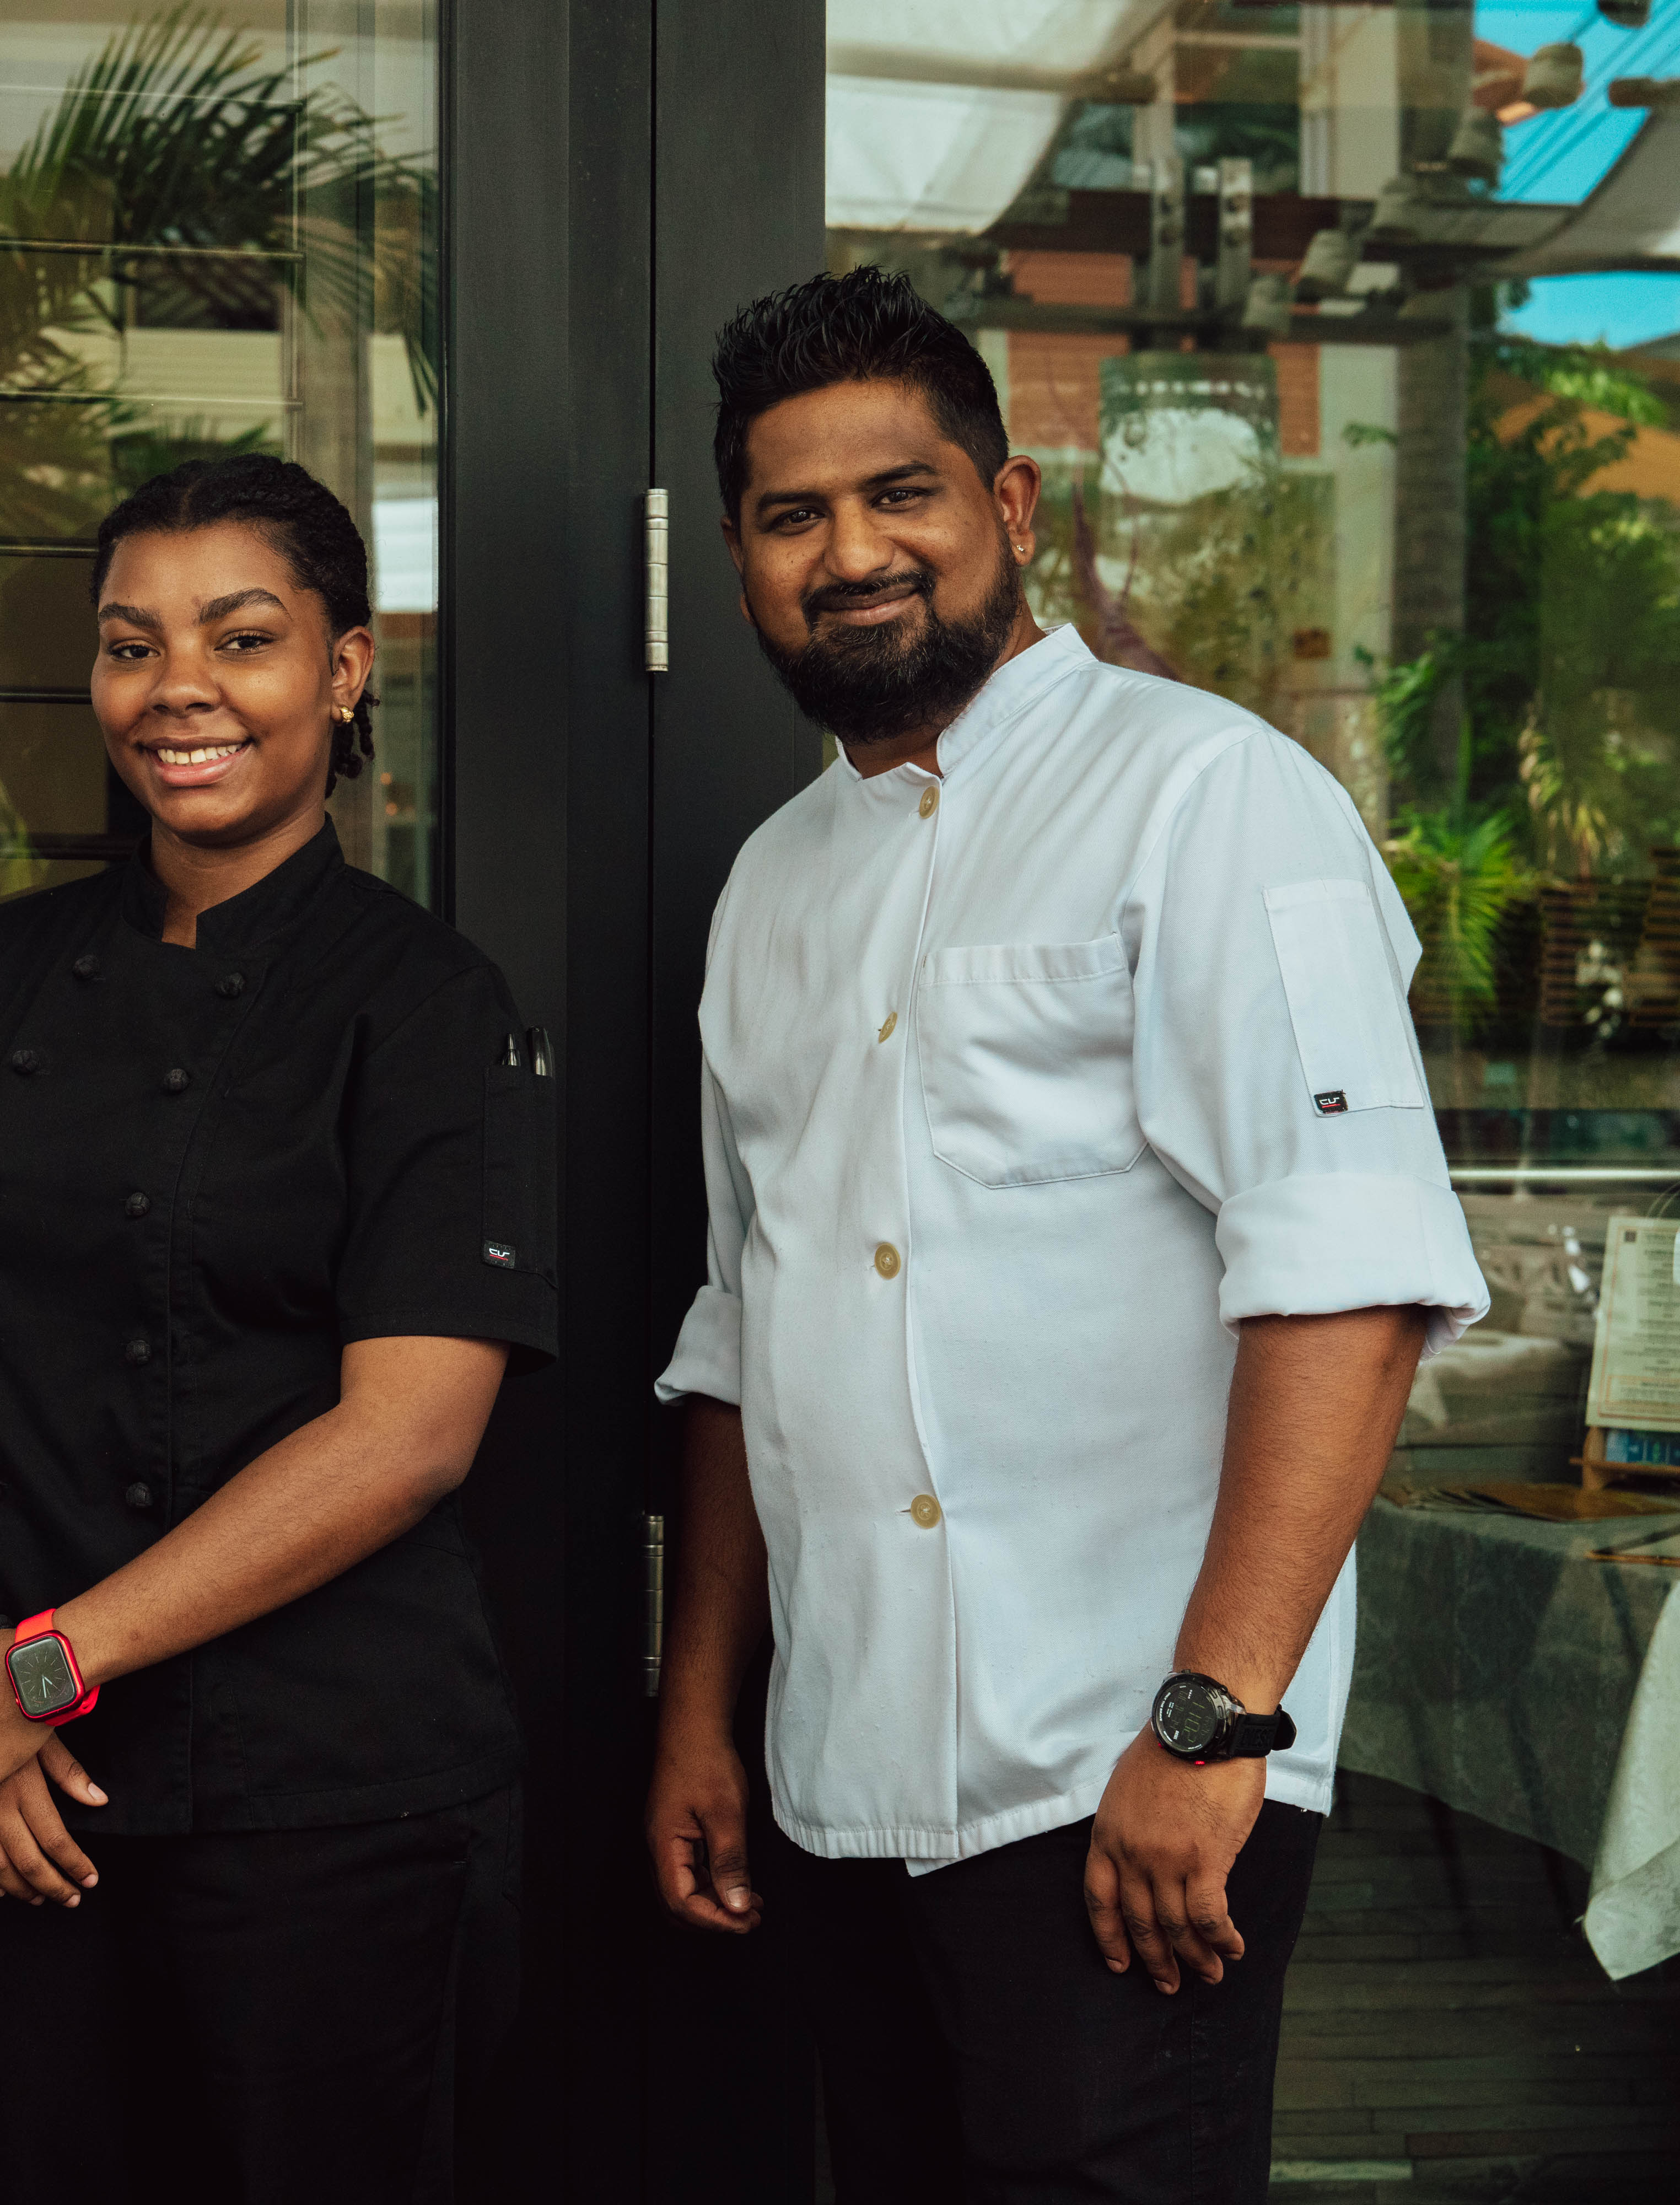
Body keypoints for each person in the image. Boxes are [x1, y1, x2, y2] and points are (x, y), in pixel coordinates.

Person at [645, 267, 1488, 2202]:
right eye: (794, 515)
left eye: (902, 495)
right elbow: (747, 1328)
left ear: (1009, 510)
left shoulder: (1209, 795)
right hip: (847, 1778)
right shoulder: (771, 886)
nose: (852, 552)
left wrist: (1215, 1726)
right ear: (745, 558)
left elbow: (1346, 1280)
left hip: (1126, 1765)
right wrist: (705, 1718)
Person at [0, 454, 555, 2201]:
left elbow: (410, 1434)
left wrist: (42, 1668)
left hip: (323, 1811)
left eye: (244, 637)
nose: (181, 692)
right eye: (133, 645)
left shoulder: (426, 1007)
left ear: (346, 670)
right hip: (1, 1798)